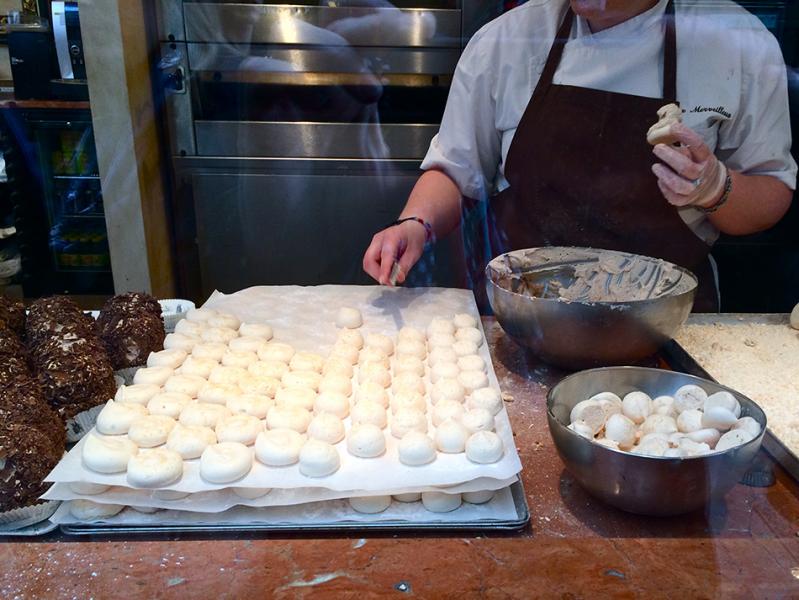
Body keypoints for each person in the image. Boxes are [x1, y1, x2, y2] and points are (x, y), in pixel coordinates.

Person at [362, 0, 796, 311]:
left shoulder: (737, 45)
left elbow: (770, 194)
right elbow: (457, 171)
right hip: (519, 319)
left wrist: (716, 188)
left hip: (668, 330)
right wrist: (416, 224)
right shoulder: (507, 40)